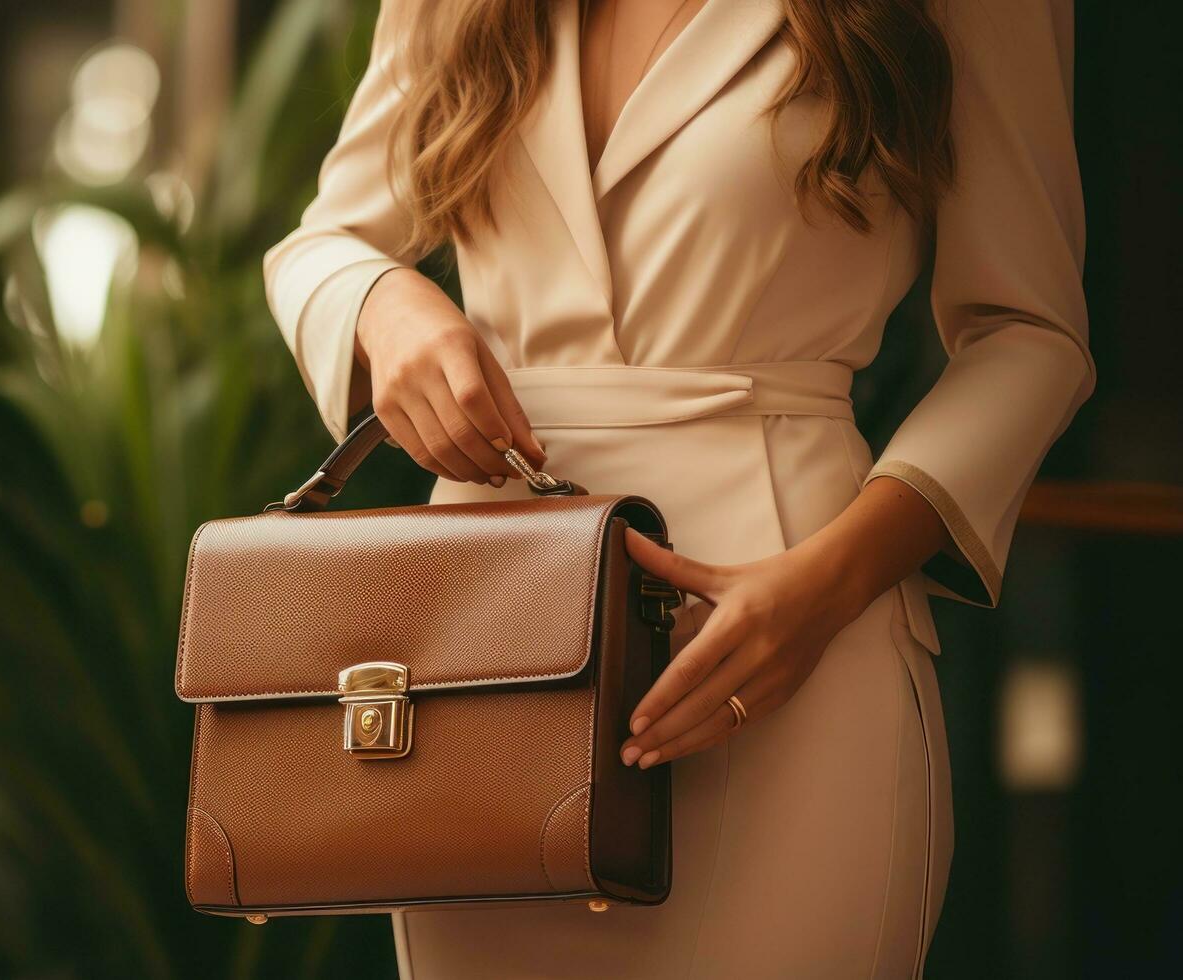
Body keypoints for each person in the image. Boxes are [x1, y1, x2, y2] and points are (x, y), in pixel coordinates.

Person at [262, 0, 1090, 975]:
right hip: (491, 673)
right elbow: (325, 241)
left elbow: (1029, 335)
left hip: (788, 650)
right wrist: (382, 305)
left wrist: (823, 591)